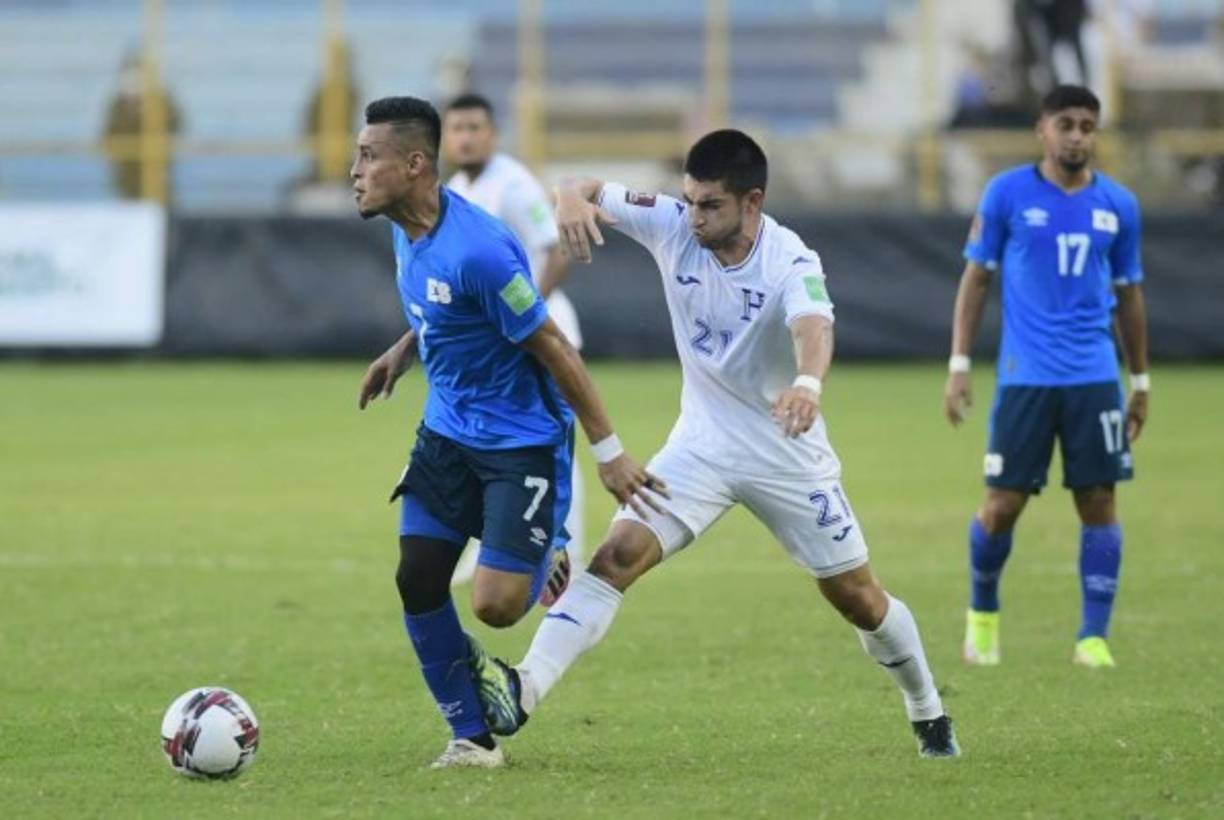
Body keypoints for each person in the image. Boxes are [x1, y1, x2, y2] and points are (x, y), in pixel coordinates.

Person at [469, 129, 961, 759]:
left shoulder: (791, 259)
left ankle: (927, 707)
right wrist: (568, 195)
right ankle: (524, 687)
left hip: (786, 452)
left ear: (751, 202)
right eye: (689, 200)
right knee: (614, 558)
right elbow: (586, 188)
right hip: (699, 447)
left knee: (859, 599)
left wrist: (808, 385)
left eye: (710, 206)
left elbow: (814, 326)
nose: (693, 216)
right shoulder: (673, 224)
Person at [350, 96, 665, 769]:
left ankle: (546, 547)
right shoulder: (401, 228)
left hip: (519, 442)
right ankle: (473, 737)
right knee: (419, 578)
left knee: (494, 607)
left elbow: (556, 349)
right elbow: (442, 309)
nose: (355, 170)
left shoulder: (484, 249)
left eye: (368, 157)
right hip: (445, 434)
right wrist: (401, 354)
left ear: (412, 164)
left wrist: (608, 453)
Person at [945, 85, 1149, 669]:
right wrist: (959, 364)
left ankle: (1093, 637)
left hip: (1094, 378)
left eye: (1087, 125)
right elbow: (976, 280)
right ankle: (983, 618)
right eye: (1067, 124)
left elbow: (1130, 295)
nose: (1077, 136)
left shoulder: (1120, 205)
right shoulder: (1007, 193)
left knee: (1098, 500)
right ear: (1042, 129)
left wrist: (1140, 381)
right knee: (1001, 506)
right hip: (1024, 378)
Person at [441, 93, 586, 585]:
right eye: (456, 127)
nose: (464, 136)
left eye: (474, 127)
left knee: (551, 438)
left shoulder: (514, 182)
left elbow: (557, 250)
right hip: (496, 340)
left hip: (539, 333)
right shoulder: (457, 187)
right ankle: (490, 545)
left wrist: (524, 317)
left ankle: (568, 546)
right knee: (488, 437)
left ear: (492, 133)